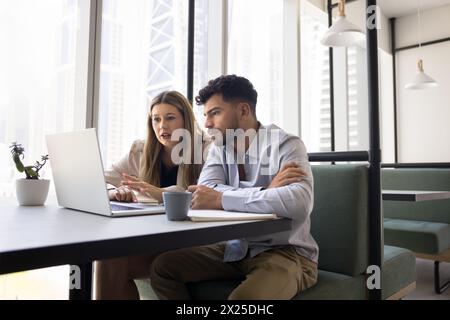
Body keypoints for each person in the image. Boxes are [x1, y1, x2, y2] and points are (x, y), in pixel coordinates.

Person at [149, 75, 319, 300]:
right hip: (234, 249)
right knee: (163, 268)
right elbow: (203, 193)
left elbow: (298, 203)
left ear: (243, 111)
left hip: (286, 252)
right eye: (206, 115)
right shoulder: (220, 149)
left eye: (215, 113)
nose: (207, 123)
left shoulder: (286, 144)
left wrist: (221, 199)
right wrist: (267, 193)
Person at [95, 90, 209, 299]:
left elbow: (203, 194)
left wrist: (159, 193)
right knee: (107, 258)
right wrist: (114, 191)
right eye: (156, 119)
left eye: (170, 118)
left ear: (186, 120)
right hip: (156, 239)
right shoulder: (140, 150)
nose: (162, 126)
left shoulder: (207, 149)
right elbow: (100, 180)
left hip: (193, 240)